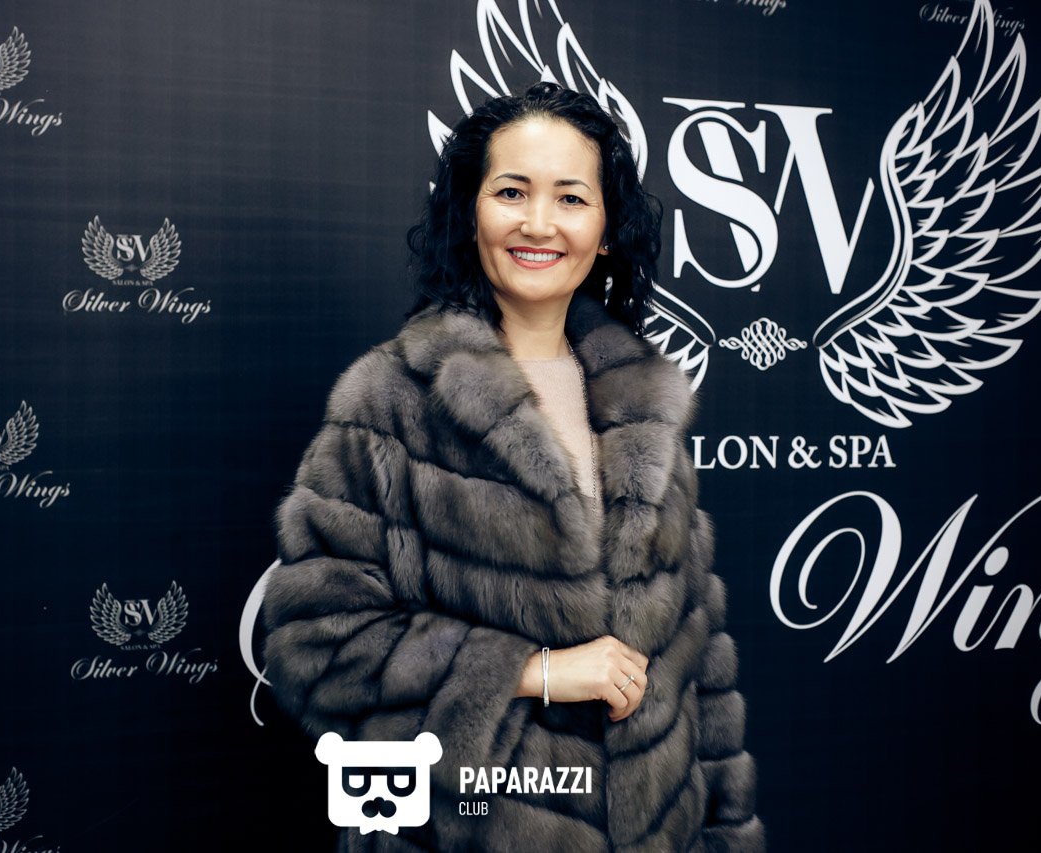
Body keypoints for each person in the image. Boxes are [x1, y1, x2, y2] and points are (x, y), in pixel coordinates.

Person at [263, 81, 763, 852]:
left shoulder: (646, 406)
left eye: (571, 197)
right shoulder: (392, 400)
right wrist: (535, 669)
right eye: (511, 192)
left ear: (606, 229)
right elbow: (315, 644)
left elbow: (703, 666)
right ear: (471, 214)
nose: (538, 222)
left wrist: (726, 832)